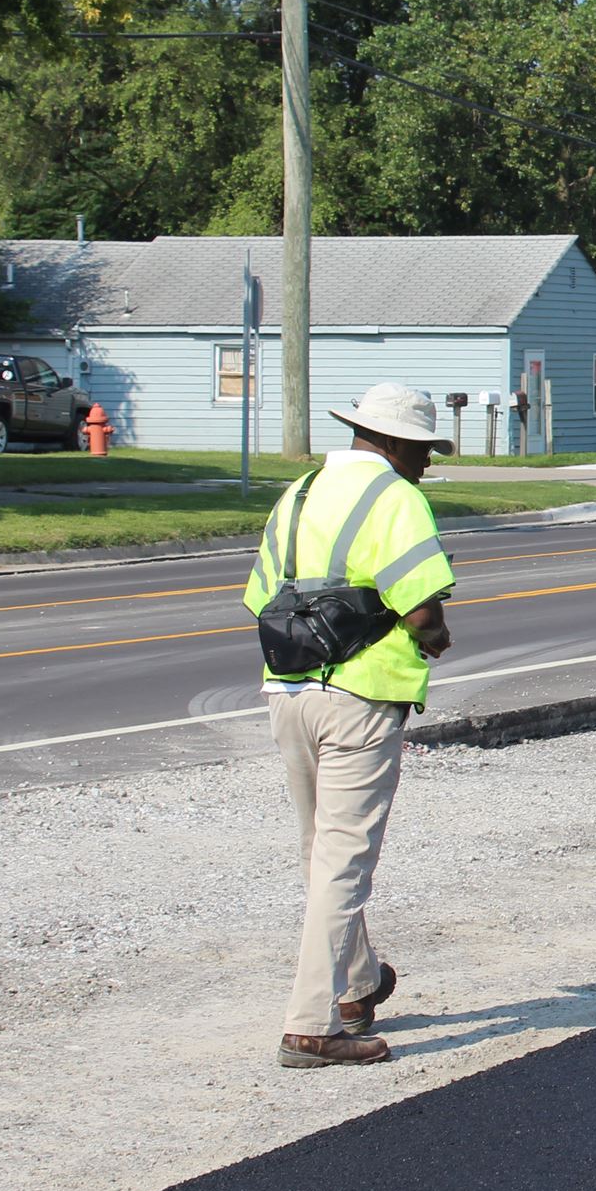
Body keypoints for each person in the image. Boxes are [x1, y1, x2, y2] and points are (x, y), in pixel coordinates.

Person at [242, 383, 457, 1069]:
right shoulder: (396, 499)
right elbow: (421, 610)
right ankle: (312, 1024)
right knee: (343, 861)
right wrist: (436, 639)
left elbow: (260, 595)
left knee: (320, 849)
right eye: (421, 450)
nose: (425, 463)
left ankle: (359, 982)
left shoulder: (299, 493)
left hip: (289, 689)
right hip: (360, 698)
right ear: (392, 443)